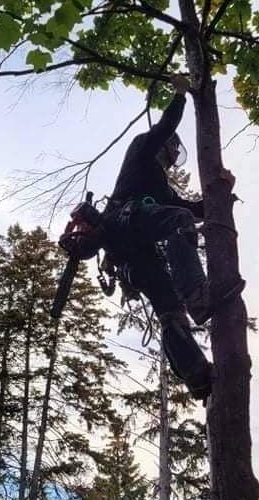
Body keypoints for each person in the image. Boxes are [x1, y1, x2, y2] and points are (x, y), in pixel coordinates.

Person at [103, 75, 241, 400]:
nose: (168, 158)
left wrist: (221, 193)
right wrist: (180, 95)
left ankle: (196, 376)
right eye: (170, 151)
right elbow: (163, 127)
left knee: (170, 312)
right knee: (176, 221)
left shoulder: (159, 186)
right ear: (165, 147)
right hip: (125, 223)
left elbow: (188, 207)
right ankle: (196, 293)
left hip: (134, 256)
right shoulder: (141, 149)